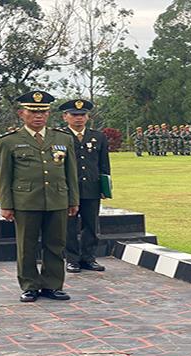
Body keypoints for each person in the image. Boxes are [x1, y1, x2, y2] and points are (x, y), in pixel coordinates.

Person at [0, 90, 79, 303]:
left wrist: (73, 200)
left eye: (43, 112)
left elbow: (71, 172)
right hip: (26, 201)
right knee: (27, 246)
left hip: (57, 199)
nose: (38, 116)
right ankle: (30, 285)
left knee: (56, 244)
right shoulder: (9, 141)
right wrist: (7, 205)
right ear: (21, 113)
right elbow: (4, 177)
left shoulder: (62, 138)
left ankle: (53, 285)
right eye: (33, 112)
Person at [58, 99, 111, 273]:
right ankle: (72, 259)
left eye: (82, 115)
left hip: (92, 188)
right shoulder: (59, 137)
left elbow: (104, 164)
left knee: (91, 225)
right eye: (74, 115)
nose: (79, 118)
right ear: (65, 117)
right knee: (69, 226)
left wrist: (105, 187)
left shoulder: (98, 137)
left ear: (88, 117)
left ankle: (88, 258)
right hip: (68, 189)